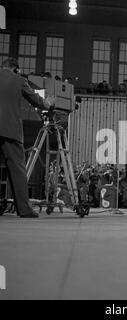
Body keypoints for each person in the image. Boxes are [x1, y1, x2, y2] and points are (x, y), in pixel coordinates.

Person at [0, 57, 54, 218]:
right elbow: (36, 100)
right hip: (10, 130)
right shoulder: (19, 80)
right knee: (17, 170)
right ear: (16, 69)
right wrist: (48, 103)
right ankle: (24, 209)